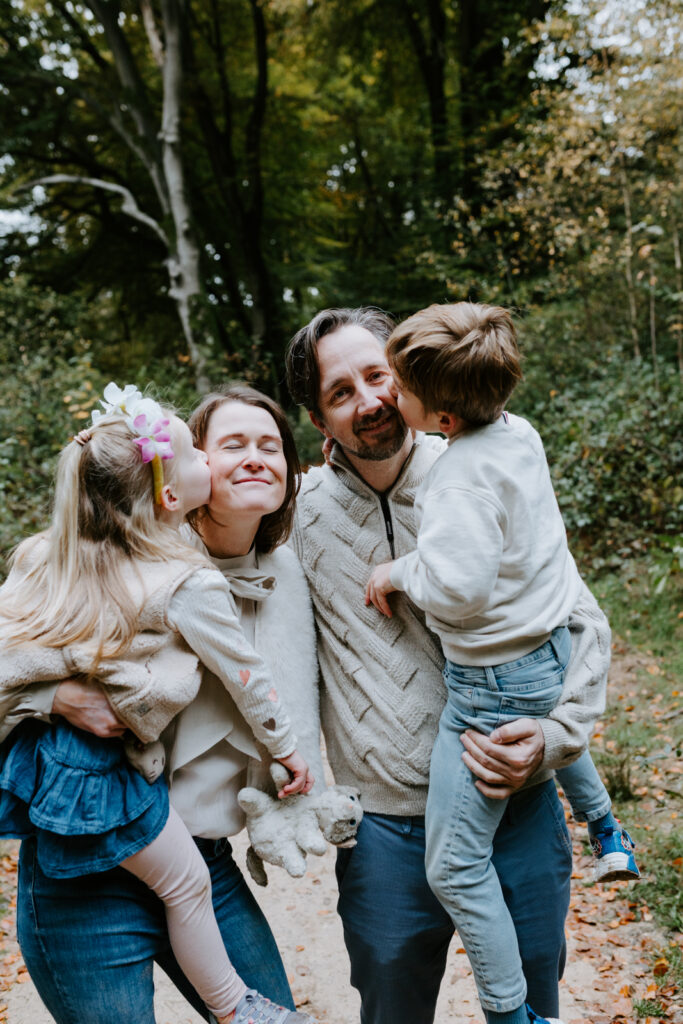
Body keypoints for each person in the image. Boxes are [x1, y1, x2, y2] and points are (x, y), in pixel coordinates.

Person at [285, 306, 613, 1024]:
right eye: (340, 392)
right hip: (385, 826)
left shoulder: (480, 462)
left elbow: (580, 619)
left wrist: (557, 738)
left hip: (514, 792)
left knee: (533, 995)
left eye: (377, 376)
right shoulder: (295, 516)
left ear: (407, 376)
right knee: (393, 1007)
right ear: (317, 418)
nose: (369, 400)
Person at [2, 385, 323, 1024]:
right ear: (176, 479)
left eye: (271, 445)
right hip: (84, 875)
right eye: (230, 445)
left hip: (200, 857)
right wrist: (54, 696)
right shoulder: (85, 555)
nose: (254, 457)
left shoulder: (294, 575)